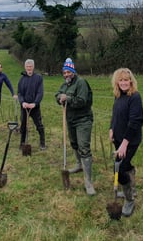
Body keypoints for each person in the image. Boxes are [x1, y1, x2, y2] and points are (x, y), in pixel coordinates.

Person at [55, 58, 95, 195]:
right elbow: (58, 94)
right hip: (70, 120)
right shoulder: (65, 85)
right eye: (64, 72)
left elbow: (82, 101)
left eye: (68, 72)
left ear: (73, 71)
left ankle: (88, 182)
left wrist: (68, 99)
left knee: (84, 147)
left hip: (83, 120)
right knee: (74, 144)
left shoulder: (81, 83)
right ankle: (79, 165)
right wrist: (59, 97)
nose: (66, 74)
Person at [109, 67, 143, 217]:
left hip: (130, 140)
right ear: (117, 81)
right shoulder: (118, 96)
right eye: (121, 80)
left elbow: (136, 122)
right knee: (124, 165)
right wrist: (111, 129)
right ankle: (131, 188)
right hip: (118, 138)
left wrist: (124, 143)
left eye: (126, 80)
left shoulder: (135, 97)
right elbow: (115, 115)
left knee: (120, 169)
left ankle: (129, 201)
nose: (123, 83)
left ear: (131, 81)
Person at [17, 59, 46, 150]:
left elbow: (40, 92)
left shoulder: (38, 78)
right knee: (23, 125)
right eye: (27, 66)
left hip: (34, 107)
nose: (29, 68)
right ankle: (22, 143)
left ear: (33, 67)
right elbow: (19, 93)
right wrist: (22, 102)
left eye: (30, 66)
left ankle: (42, 143)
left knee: (39, 125)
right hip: (24, 107)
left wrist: (35, 103)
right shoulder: (22, 79)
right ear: (25, 67)